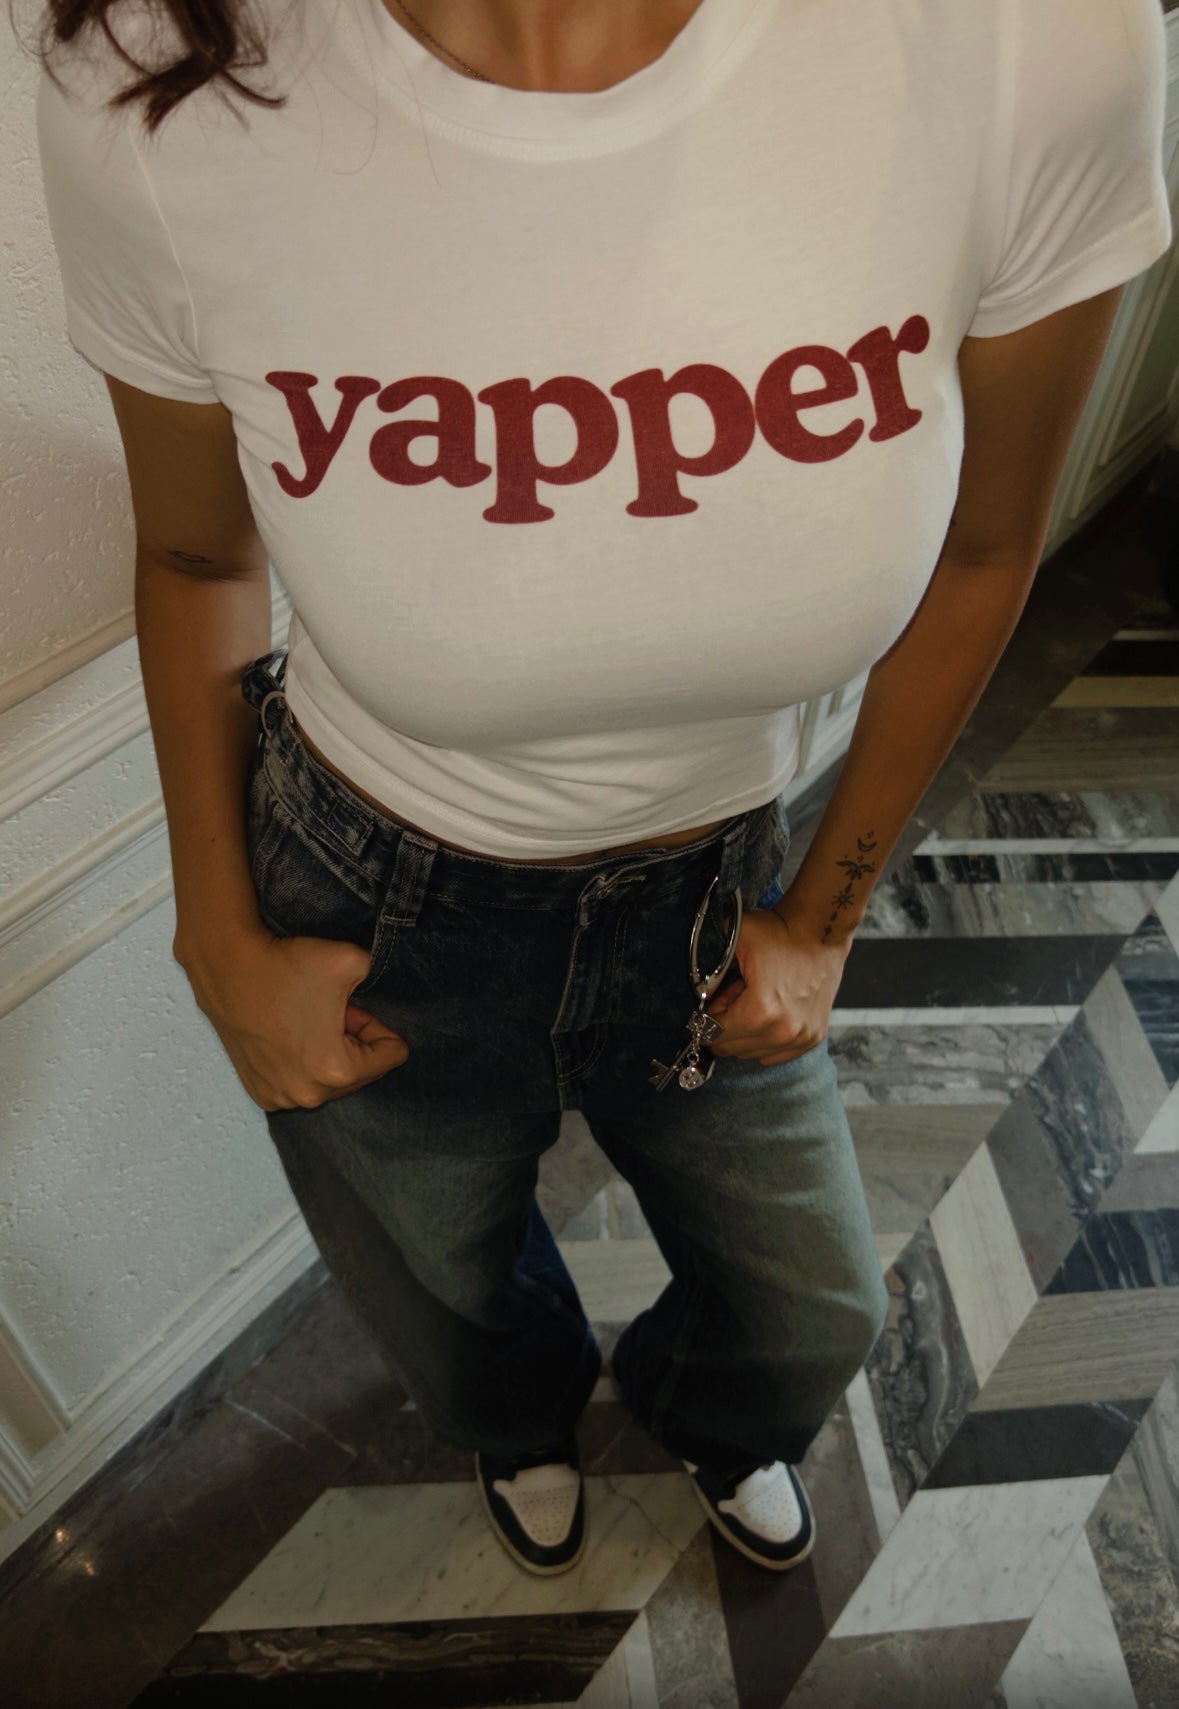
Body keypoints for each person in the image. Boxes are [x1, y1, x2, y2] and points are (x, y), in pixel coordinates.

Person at [31, 0, 1172, 1578]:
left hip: (711, 892)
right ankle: (520, 1418)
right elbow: (193, 554)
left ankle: (706, 1408)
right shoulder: (158, 76)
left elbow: (986, 548)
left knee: (815, 1307)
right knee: (445, 1292)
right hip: (372, 897)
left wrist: (823, 917)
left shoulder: (1028, 40)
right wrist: (217, 933)